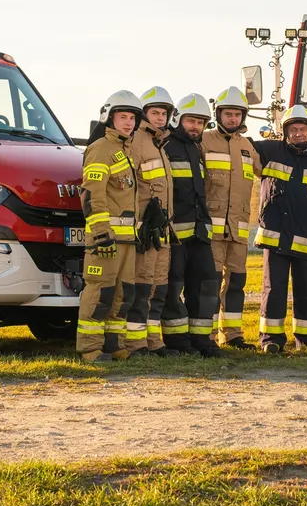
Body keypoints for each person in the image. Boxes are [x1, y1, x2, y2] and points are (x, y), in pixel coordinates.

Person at [253, 105, 307, 353]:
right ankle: (271, 340)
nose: (298, 133)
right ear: (285, 132)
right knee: (273, 289)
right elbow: (238, 145)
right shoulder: (269, 149)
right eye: (293, 129)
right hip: (275, 235)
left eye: (303, 129)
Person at [76, 90, 142, 362]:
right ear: (108, 118)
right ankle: (90, 349)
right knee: (100, 293)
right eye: (122, 117)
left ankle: (115, 346)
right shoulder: (101, 149)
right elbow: (93, 194)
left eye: (132, 118)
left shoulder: (126, 150)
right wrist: (102, 234)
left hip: (127, 241)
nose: (128, 122)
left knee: (123, 295)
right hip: (106, 239)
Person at [161, 93, 222, 357]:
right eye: (191, 121)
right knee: (174, 287)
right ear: (178, 119)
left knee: (206, 286)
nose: (196, 126)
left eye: (201, 122)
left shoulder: (197, 149)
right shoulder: (165, 146)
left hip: (199, 233)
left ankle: (202, 340)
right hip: (175, 234)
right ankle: (178, 341)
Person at [202, 86, 262, 349]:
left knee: (236, 282)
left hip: (238, 231)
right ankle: (208, 336)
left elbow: (265, 173)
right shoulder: (204, 141)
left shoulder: (247, 146)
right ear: (218, 114)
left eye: (237, 114)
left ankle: (234, 335)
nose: (233, 119)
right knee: (212, 283)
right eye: (228, 114)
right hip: (212, 231)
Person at [125, 86, 180, 357]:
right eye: (154, 112)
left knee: (159, 287)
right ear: (144, 114)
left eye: (164, 113)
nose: (160, 118)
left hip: (162, 230)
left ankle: (154, 341)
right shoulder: (136, 142)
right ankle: (135, 343)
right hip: (144, 231)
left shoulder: (161, 145)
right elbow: (129, 186)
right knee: (142, 285)